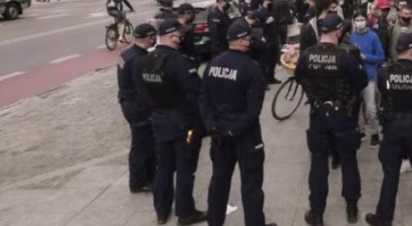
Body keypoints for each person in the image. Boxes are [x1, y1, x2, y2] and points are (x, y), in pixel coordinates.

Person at [200, 21, 277, 226]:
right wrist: (234, 132)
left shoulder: (213, 64)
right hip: (245, 137)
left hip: (219, 135)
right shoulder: (252, 68)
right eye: (249, 37)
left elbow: (203, 100)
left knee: (219, 182)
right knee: (251, 186)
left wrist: (213, 127)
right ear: (243, 40)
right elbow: (253, 111)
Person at [295, 14, 369, 226]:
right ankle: (352, 208)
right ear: (338, 31)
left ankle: (317, 213)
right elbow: (361, 81)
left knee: (318, 164)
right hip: (343, 116)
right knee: (349, 161)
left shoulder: (308, 54)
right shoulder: (345, 56)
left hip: (318, 116)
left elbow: (299, 76)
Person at [135, 20, 206, 225]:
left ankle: (162, 211)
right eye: (179, 34)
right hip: (183, 125)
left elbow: (142, 94)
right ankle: (186, 212)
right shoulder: (180, 62)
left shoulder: (143, 61)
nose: (182, 37)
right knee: (185, 167)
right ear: (171, 36)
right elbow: (195, 94)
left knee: (163, 167)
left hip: (158, 121)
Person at [365, 33, 412, 226]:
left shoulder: (384, 72)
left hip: (392, 128)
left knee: (390, 174)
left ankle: (383, 217)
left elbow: (384, 94)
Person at [117, 23, 158, 194]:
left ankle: (143, 179)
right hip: (137, 107)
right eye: (153, 36)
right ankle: (139, 182)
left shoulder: (126, 54)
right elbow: (141, 88)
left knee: (140, 143)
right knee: (142, 145)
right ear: (149, 38)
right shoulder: (139, 59)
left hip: (127, 102)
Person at [350, 10, 386, 148]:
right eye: (357, 20)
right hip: (354, 77)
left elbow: (381, 57)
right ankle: (360, 130)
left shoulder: (373, 37)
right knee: (356, 107)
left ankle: (375, 132)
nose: (360, 22)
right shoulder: (351, 37)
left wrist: (366, 58)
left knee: (371, 107)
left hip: (369, 76)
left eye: (361, 19)